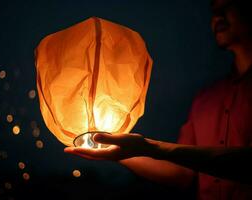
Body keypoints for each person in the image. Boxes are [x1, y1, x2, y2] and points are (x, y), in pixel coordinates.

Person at [65, 0, 252, 199]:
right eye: (213, 10)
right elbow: (182, 174)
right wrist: (116, 150)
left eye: (228, 5)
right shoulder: (207, 99)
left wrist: (149, 147)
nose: (217, 16)